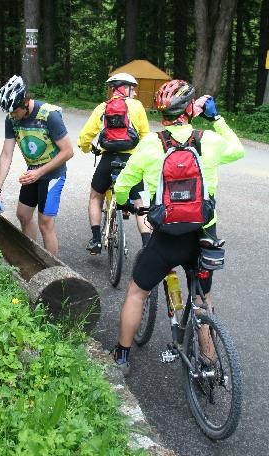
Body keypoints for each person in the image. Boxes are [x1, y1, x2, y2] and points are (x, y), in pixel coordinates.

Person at [112, 79, 244, 376]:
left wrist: (127, 203)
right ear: (190, 110)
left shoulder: (150, 144)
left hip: (167, 238)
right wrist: (217, 118)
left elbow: (122, 186)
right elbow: (237, 150)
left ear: (162, 115)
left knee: (136, 292)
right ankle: (209, 362)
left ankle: (121, 357)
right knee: (203, 298)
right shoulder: (208, 140)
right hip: (204, 235)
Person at [0, 75, 74, 256]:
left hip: (53, 174)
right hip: (33, 172)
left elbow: (68, 151)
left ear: (25, 102)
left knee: (45, 224)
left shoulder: (49, 116)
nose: (12, 116)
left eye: (14, 111)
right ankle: (31, 258)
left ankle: (53, 271)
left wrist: (40, 172)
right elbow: (6, 154)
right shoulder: (11, 119)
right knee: (23, 215)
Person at [77, 72, 150, 255]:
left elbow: (85, 136)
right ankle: (148, 245)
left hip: (108, 159)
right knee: (140, 202)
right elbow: (145, 136)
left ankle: (95, 240)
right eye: (133, 89)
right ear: (125, 88)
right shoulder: (137, 106)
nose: (135, 93)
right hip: (131, 162)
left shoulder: (103, 107)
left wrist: (87, 148)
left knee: (95, 196)